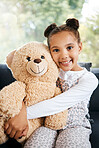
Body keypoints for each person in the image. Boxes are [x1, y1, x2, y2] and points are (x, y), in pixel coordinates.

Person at [4, 18, 98, 148]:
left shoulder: (89, 79)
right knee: (36, 144)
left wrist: (23, 115)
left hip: (75, 125)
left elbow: (58, 103)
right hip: (46, 124)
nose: (64, 55)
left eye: (69, 47)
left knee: (71, 144)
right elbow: (26, 87)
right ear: (49, 52)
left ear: (79, 47)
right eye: (56, 50)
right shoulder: (48, 71)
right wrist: (18, 109)